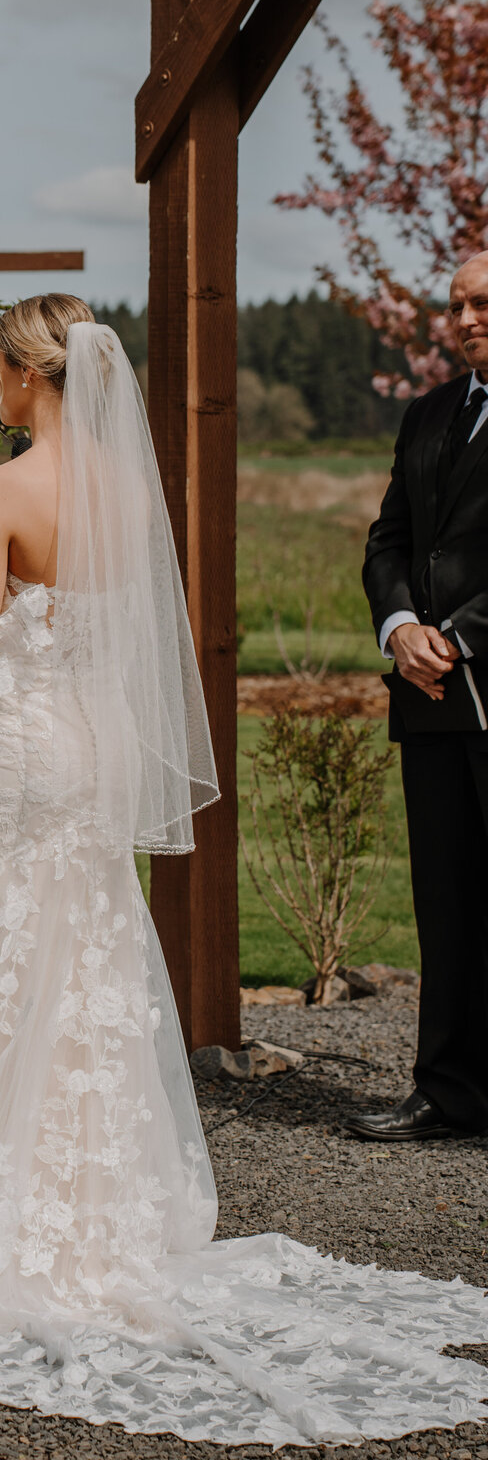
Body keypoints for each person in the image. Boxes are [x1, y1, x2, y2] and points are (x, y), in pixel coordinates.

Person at [0, 294, 488, 1441]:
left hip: (21, 758)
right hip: (87, 756)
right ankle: (101, 1207)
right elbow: (98, 634)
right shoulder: (129, 491)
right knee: (89, 954)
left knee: (15, 960)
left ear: (32, 379)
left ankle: (3, 1211)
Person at [353, 250, 488, 1143]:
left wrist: (465, 635)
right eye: (457, 303)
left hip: (481, 667)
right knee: (448, 903)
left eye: (483, 300)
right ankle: (448, 1091)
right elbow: (388, 539)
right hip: (429, 692)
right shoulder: (431, 411)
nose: (467, 315)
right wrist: (401, 627)